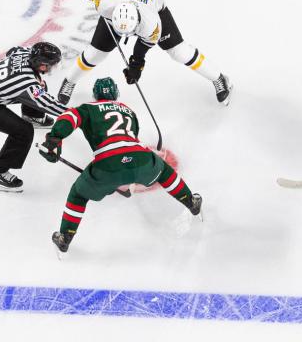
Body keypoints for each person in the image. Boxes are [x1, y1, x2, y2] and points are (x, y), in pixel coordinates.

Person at [39, 77, 203, 254]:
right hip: (140, 158)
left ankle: (65, 236)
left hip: (107, 165)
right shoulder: (128, 111)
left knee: (78, 194)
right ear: (115, 93)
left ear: (95, 95)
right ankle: (191, 202)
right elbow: (128, 143)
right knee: (164, 172)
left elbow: (69, 117)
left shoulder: (88, 108)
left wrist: (55, 138)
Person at [56, 0, 231, 106]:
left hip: (155, 7)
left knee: (180, 52)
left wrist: (137, 64)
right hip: (120, 8)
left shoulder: (152, 24)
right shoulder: (104, 4)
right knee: (95, 54)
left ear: (137, 22)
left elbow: (143, 46)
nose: (126, 36)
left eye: (130, 32)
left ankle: (219, 78)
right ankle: (69, 81)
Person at [0, 42, 68, 192]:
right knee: (23, 132)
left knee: (40, 85)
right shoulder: (26, 83)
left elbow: (12, 51)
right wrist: (76, 114)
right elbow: (49, 104)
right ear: (42, 64)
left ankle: (32, 116)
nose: (52, 68)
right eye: (50, 65)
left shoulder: (25, 54)